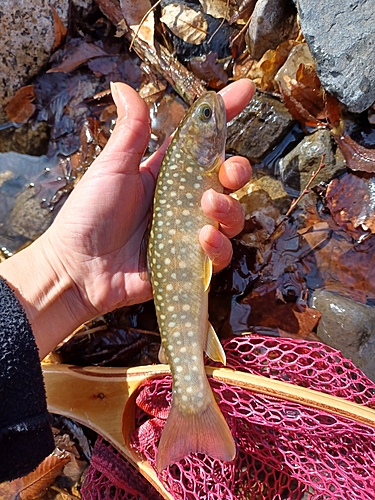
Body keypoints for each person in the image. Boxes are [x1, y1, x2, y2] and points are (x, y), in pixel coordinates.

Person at [0, 79, 255, 482]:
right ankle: (192, 405)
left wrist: (65, 269)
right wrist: (64, 267)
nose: (214, 117)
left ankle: (192, 399)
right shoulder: (193, 163)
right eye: (207, 116)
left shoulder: (194, 164)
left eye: (208, 115)